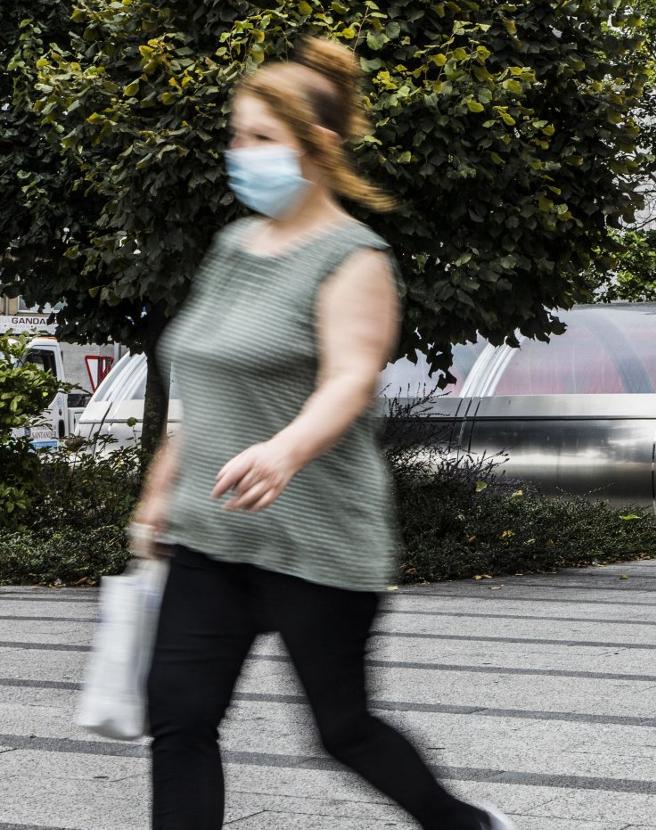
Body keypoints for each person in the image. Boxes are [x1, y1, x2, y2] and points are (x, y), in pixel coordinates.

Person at [131, 37, 513, 830]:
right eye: (236, 135)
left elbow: (350, 377)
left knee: (342, 730)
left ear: (321, 147)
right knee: (178, 718)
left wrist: (286, 449)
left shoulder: (354, 257)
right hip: (215, 531)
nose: (241, 153)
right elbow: (196, 377)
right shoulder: (231, 247)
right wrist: (158, 494)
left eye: (262, 138)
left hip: (317, 537)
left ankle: (467, 826)